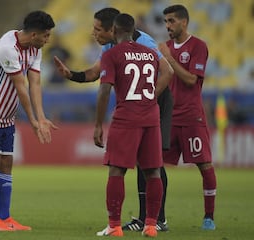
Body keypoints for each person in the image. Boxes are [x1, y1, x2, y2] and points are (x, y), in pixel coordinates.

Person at [54, 7, 173, 232]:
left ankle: (151, 219)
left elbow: (166, 73)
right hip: (143, 106)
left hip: (153, 100)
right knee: (150, 166)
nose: (93, 33)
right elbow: (94, 72)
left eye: (98, 29)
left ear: (113, 29)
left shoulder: (144, 43)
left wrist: (148, 97)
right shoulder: (112, 46)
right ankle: (148, 222)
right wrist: (72, 75)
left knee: (126, 168)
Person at [0, 10, 57, 231]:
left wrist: (42, 118)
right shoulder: (7, 47)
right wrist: (32, 121)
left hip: (6, 116)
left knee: (7, 164)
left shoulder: (35, 49)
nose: (47, 40)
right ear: (34, 34)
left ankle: (6, 219)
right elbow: (21, 87)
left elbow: (35, 83)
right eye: (45, 36)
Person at [94, 13, 163, 237]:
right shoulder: (151, 54)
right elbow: (166, 73)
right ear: (134, 31)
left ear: (114, 31)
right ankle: (151, 225)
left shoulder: (112, 54)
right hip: (151, 117)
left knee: (117, 170)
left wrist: (98, 125)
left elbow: (104, 89)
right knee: (153, 172)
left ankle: (114, 226)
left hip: (126, 118)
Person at [158, 4, 217, 230]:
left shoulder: (198, 46)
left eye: (171, 21)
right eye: (165, 21)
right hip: (169, 118)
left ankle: (208, 217)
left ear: (184, 22)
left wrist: (170, 59)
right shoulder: (166, 47)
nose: (167, 26)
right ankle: (158, 217)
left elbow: (192, 80)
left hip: (191, 117)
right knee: (155, 166)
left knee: (204, 165)